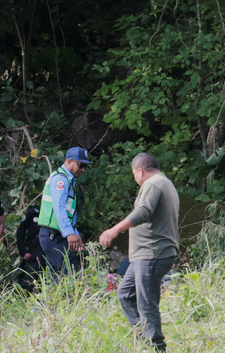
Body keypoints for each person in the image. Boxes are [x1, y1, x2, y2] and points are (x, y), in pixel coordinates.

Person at [98, 153, 179, 353]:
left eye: (134, 174)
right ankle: (144, 339)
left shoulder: (153, 184)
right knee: (125, 294)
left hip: (152, 254)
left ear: (140, 171)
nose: (135, 179)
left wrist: (114, 230)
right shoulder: (164, 183)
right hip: (144, 255)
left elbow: (143, 212)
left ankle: (157, 347)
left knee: (146, 304)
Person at [37, 146, 91, 278]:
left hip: (59, 235)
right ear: (69, 161)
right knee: (62, 277)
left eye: (85, 166)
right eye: (81, 165)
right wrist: (69, 233)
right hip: (53, 235)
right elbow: (59, 208)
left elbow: (69, 213)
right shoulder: (60, 180)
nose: (83, 170)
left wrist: (74, 233)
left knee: (68, 274)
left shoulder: (68, 181)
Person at [16, 202, 44, 291]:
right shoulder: (33, 212)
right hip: (34, 252)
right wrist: (23, 251)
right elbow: (20, 232)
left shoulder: (57, 211)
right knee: (28, 284)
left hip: (50, 252)